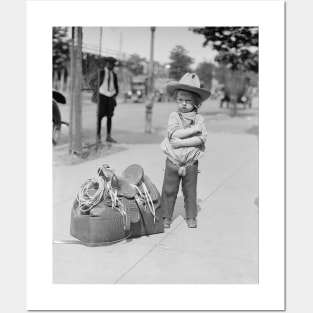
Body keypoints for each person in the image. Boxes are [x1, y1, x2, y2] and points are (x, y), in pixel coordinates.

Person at [160, 73, 211, 228]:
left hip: (190, 162)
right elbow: (174, 134)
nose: (183, 104)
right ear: (176, 100)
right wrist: (192, 132)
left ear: (196, 103)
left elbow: (201, 138)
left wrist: (180, 142)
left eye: (188, 101)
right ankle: (165, 217)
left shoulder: (199, 119)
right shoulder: (174, 116)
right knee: (169, 190)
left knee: (190, 191)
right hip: (173, 161)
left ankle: (191, 217)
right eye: (180, 100)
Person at [95, 57, 119, 143]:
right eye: (110, 64)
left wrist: (115, 94)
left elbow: (116, 86)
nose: (111, 66)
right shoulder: (101, 72)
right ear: (106, 64)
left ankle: (108, 136)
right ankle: (98, 136)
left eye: (113, 64)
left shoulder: (114, 75)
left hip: (111, 97)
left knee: (109, 117)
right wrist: (96, 91)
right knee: (100, 117)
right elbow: (94, 83)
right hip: (102, 96)